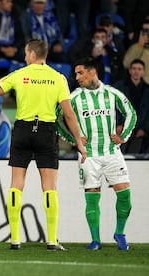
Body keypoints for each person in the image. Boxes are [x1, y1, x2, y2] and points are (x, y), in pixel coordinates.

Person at [0, 39, 87, 250]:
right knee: (49, 186)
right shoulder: (58, 78)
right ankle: (51, 240)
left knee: (16, 183)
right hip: (46, 131)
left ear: (31, 53)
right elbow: (69, 114)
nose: (24, 57)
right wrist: (79, 142)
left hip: (22, 130)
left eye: (25, 53)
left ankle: (15, 239)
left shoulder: (20, 74)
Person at [56, 57, 137, 250]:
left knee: (125, 196)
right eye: (75, 73)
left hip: (112, 153)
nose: (76, 77)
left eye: (80, 73)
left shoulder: (111, 93)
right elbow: (56, 119)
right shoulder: (74, 97)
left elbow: (131, 113)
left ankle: (119, 233)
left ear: (93, 72)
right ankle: (95, 240)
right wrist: (73, 139)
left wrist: (123, 136)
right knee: (92, 196)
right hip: (88, 155)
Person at [114, 59, 149, 154]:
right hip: (122, 128)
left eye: (139, 69)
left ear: (143, 72)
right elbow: (114, 107)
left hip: (140, 130)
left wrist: (144, 129)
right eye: (134, 69)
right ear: (129, 71)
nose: (136, 71)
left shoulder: (147, 90)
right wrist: (118, 124)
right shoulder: (119, 87)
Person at [123, 20, 149, 84]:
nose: (147, 33)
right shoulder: (135, 47)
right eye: (145, 31)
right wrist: (139, 46)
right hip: (139, 86)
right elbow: (126, 64)